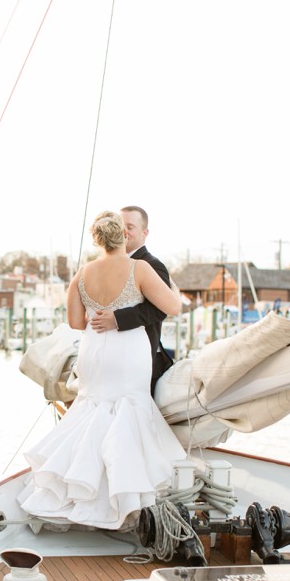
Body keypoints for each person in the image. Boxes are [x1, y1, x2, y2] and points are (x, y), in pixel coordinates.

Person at [17, 210, 186, 530]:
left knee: (90, 413)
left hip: (95, 352)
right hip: (128, 353)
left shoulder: (83, 273)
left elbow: (76, 322)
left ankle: (75, 491)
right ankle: (124, 500)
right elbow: (173, 307)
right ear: (123, 236)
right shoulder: (140, 268)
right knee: (127, 416)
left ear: (97, 239)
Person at [89, 205, 176, 396]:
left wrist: (118, 318)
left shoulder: (152, 265)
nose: (124, 231)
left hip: (138, 359)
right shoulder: (100, 267)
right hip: (104, 357)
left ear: (145, 233)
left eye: (130, 226)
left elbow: (160, 310)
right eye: (120, 225)